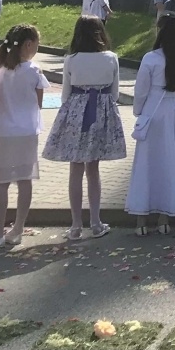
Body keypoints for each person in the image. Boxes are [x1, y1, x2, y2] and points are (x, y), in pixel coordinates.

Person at [43, 17, 126, 241]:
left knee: (75, 169)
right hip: (101, 112)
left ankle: (76, 225)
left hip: (76, 113)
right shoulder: (111, 58)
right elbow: (115, 94)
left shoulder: (71, 59)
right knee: (93, 169)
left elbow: (65, 94)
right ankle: (96, 222)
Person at [127, 11, 175, 235]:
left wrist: (139, 112)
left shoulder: (151, 58)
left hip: (153, 110)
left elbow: (140, 91)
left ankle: (141, 221)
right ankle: (165, 217)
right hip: (172, 111)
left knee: (146, 164)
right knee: (170, 162)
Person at [0, 24, 45, 249]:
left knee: (1, 184)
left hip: (3, 132)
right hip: (26, 132)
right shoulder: (34, 71)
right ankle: (17, 229)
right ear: (28, 45)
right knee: (25, 181)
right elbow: (38, 105)